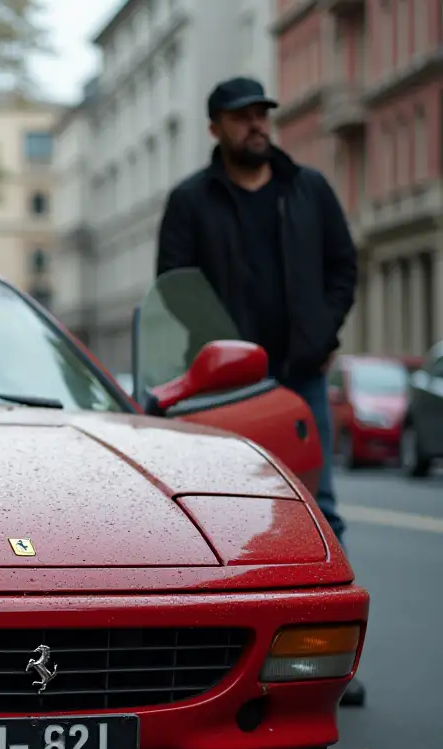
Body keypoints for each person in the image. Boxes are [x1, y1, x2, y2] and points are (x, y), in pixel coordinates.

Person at [154, 76, 365, 707]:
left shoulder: (309, 189)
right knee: (220, 514)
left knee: (317, 509)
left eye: (262, 115)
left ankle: (328, 666)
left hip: (299, 379)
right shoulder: (191, 199)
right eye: (242, 117)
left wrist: (321, 332)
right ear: (215, 127)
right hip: (223, 388)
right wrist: (220, 352)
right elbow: (174, 287)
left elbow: (342, 267)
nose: (257, 126)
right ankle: (216, 665)